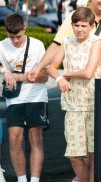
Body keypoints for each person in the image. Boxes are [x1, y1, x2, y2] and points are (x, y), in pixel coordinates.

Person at [27, 0, 101, 180]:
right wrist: (39, 67)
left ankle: (100, 176)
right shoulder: (74, 17)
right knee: (77, 150)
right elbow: (56, 44)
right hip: (75, 98)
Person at [47, 7, 101, 182]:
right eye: (76, 25)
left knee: (96, 152)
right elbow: (52, 67)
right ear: (72, 25)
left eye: (84, 26)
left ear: (91, 26)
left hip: (94, 103)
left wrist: (67, 74)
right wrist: (59, 78)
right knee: (74, 153)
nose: (79, 29)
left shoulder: (96, 42)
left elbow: (88, 72)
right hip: (73, 105)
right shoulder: (67, 41)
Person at [0, 13, 49, 182]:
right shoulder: (1, 46)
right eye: (11, 36)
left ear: (24, 29)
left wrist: (17, 76)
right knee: (14, 139)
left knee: (36, 138)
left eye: (18, 36)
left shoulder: (37, 45)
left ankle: (34, 180)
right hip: (14, 99)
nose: (15, 41)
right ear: (6, 32)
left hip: (36, 96)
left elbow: (44, 77)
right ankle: (21, 180)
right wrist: (5, 71)